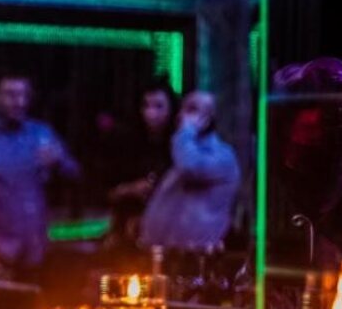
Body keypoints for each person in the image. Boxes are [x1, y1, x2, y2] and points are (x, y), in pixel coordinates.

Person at [0, 72, 81, 280]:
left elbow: (74, 174)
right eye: (10, 95)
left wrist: (59, 162)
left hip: (37, 247)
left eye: (24, 95)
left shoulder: (41, 133)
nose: (19, 102)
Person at [139, 91, 240, 249]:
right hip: (163, 251)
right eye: (182, 109)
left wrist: (186, 131)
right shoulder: (182, 151)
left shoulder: (223, 155)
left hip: (196, 254)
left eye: (192, 110)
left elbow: (190, 167)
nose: (182, 116)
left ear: (208, 117)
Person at [103, 79, 178, 252]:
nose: (151, 113)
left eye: (158, 106)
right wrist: (131, 189)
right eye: (146, 106)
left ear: (171, 109)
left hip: (170, 232)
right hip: (129, 230)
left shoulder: (179, 146)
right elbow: (106, 191)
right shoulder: (126, 143)